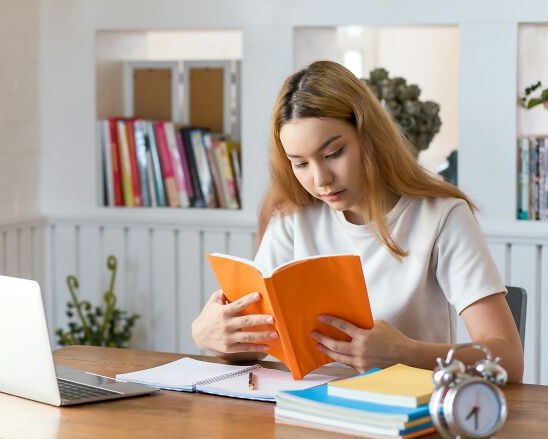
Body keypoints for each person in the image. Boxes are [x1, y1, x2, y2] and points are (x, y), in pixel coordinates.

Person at [191, 61, 524, 382]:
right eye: (300, 163)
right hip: (306, 415)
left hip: (407, 418)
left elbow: (508, 359)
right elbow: (257, 343)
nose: (321, 179)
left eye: (334, 153)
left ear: (370, 138)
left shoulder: (441, 216)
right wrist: (211, 335)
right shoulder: (292, 216)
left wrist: (405, 354)